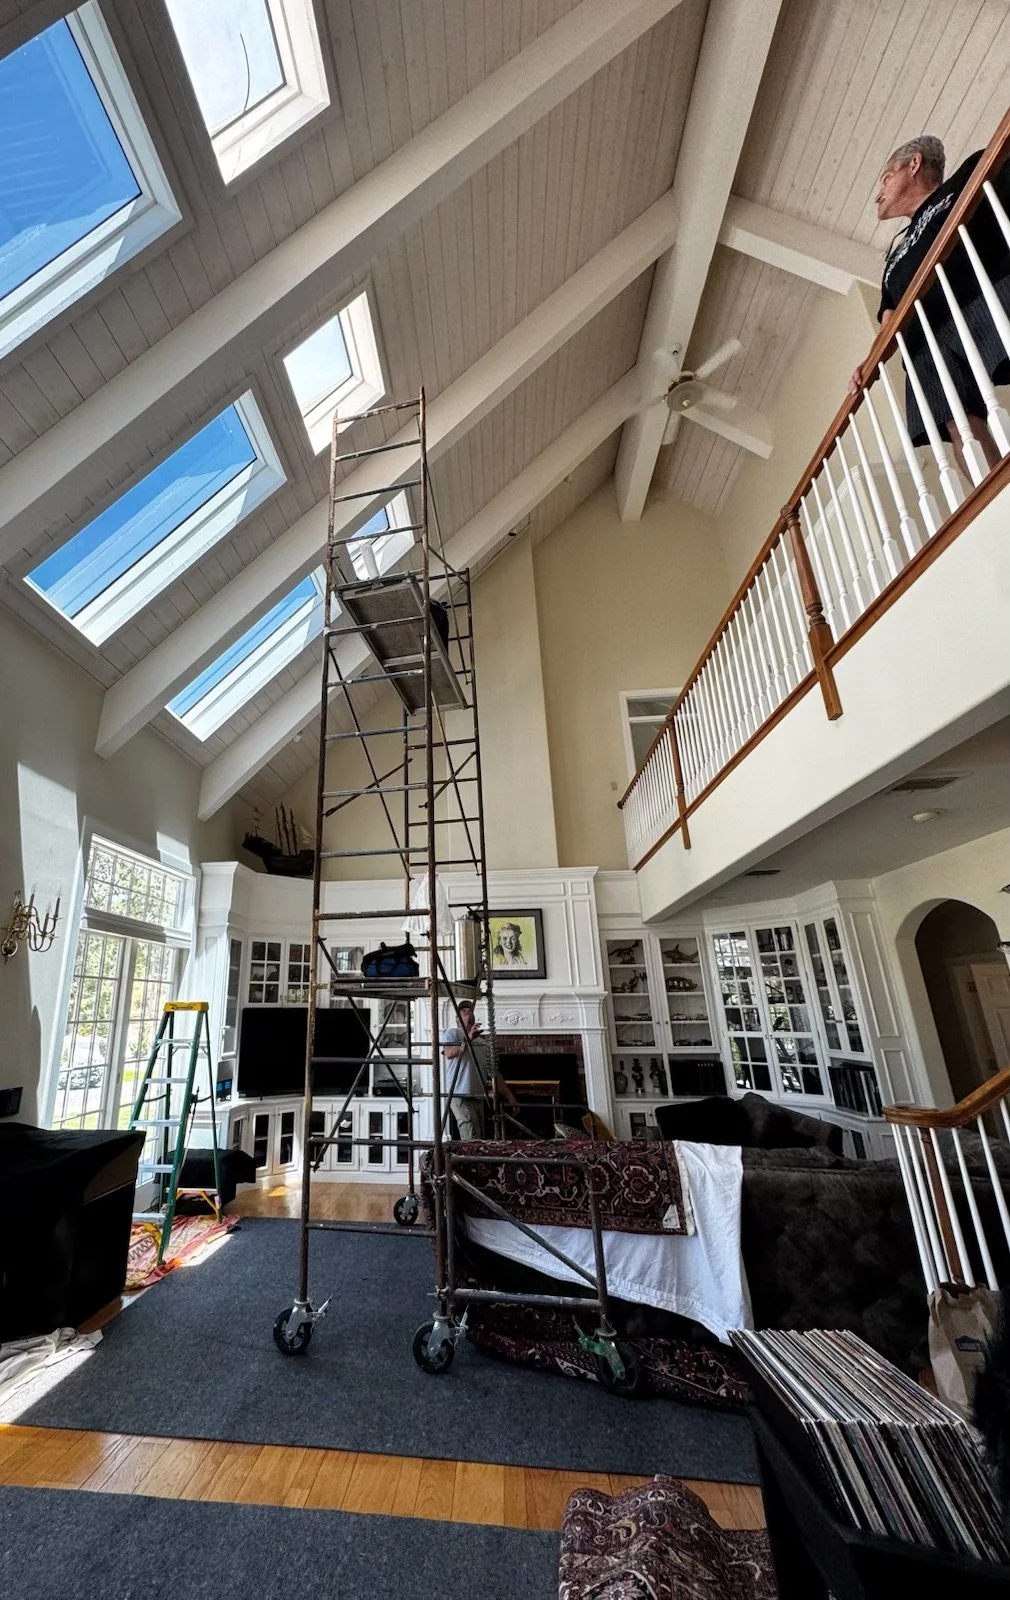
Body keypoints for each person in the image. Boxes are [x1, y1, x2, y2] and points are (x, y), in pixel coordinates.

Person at [851, 134, 1010, 478]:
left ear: (914, 164)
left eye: (886, 178)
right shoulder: (893, 259)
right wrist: (869, 361)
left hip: (983, 296)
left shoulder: (961, 180)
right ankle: (996, 493)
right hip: (927, 343)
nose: (878, 193)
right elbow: (889, 319)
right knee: (957, 422)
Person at [440, 1001, 517, 1140]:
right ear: (457, 1019)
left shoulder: (483, 1044)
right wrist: (469, 1038)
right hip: (459, 1094)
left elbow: (494, 1073)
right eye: (463, 1010)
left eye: (470, 1010)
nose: (468, 1011)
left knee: (480, 1135)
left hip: (478, 1095)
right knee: (470, 1133)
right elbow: (449, 1053)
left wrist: (510, 1097)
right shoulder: (453, 1033)